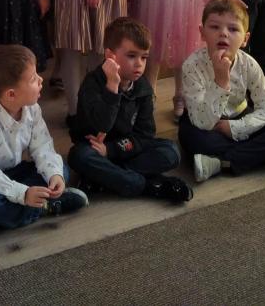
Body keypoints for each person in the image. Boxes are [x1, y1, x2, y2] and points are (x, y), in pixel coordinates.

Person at [0, 44, 88, 237]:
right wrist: (22, 194)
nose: (41, 79)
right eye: (33, 79)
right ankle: (48, 206)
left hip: (12, 171)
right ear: (11, 94)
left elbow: (43, 147)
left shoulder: (32, 109)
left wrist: (54, 175)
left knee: (61, 171)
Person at [67, 18, 192, 202]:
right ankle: (148, 185)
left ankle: (105, 180)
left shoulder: (142, 87)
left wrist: (110, 150)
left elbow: (145, 134)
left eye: (144, 57)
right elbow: (102, 125)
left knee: (171, 152)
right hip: (94, 149)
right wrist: (112, 87)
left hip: (124, 150)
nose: (139, 64)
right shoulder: (92, 83)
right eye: (132, 56)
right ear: (110, 56)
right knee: (79, 156)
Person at [179, 0, 265, 183]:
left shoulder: (248, 64)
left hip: (241, 119)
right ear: (202, 33)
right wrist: (221, 82)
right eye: (215, 27)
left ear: (245, 39)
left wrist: (236, 128)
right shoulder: (192, 65)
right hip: (207, 124)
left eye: (233, 29)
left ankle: (222, 163)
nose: (223, 33)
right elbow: (202, 122)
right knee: (192, 138)